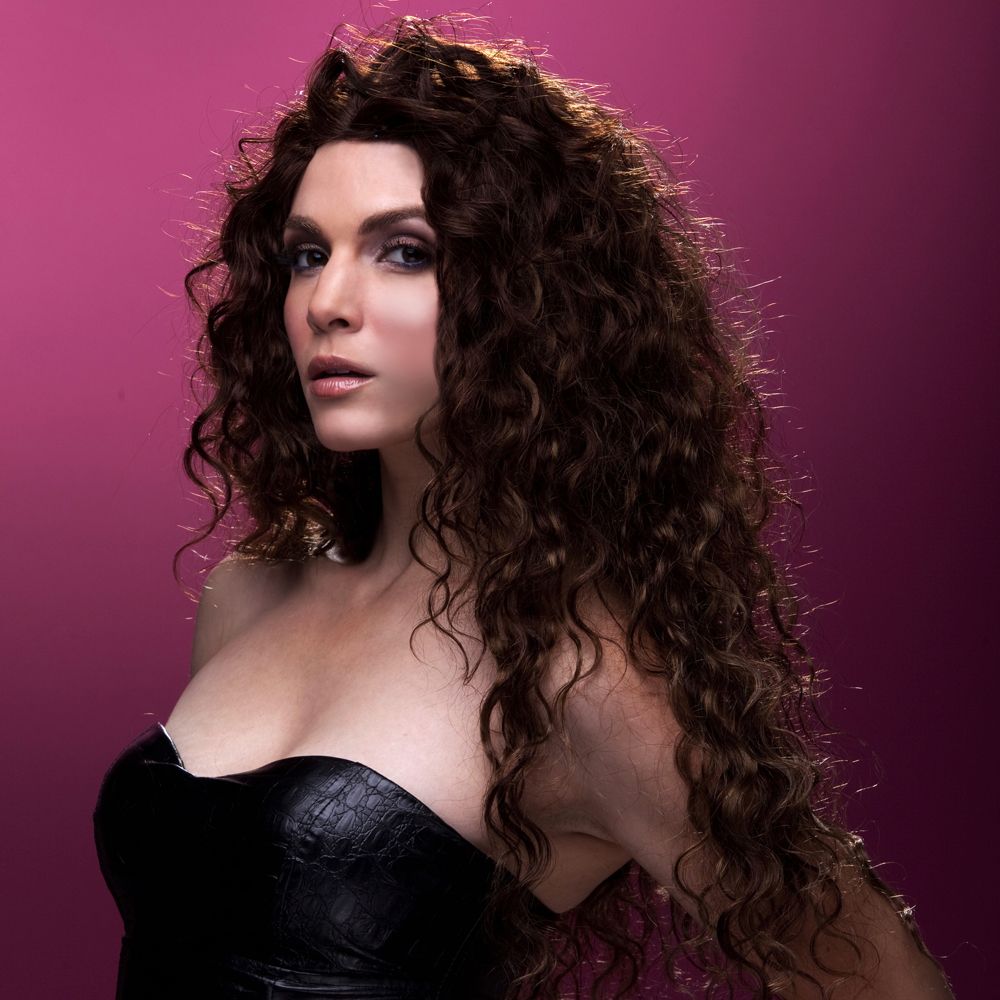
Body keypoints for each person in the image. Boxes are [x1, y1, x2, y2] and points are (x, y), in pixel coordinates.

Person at [92, 12, 955, 1000]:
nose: (327, 301)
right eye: (305, 255)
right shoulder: (248, 594)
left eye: (403, 251)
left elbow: (883, 981)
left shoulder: (579, 670)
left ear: (525, 292)